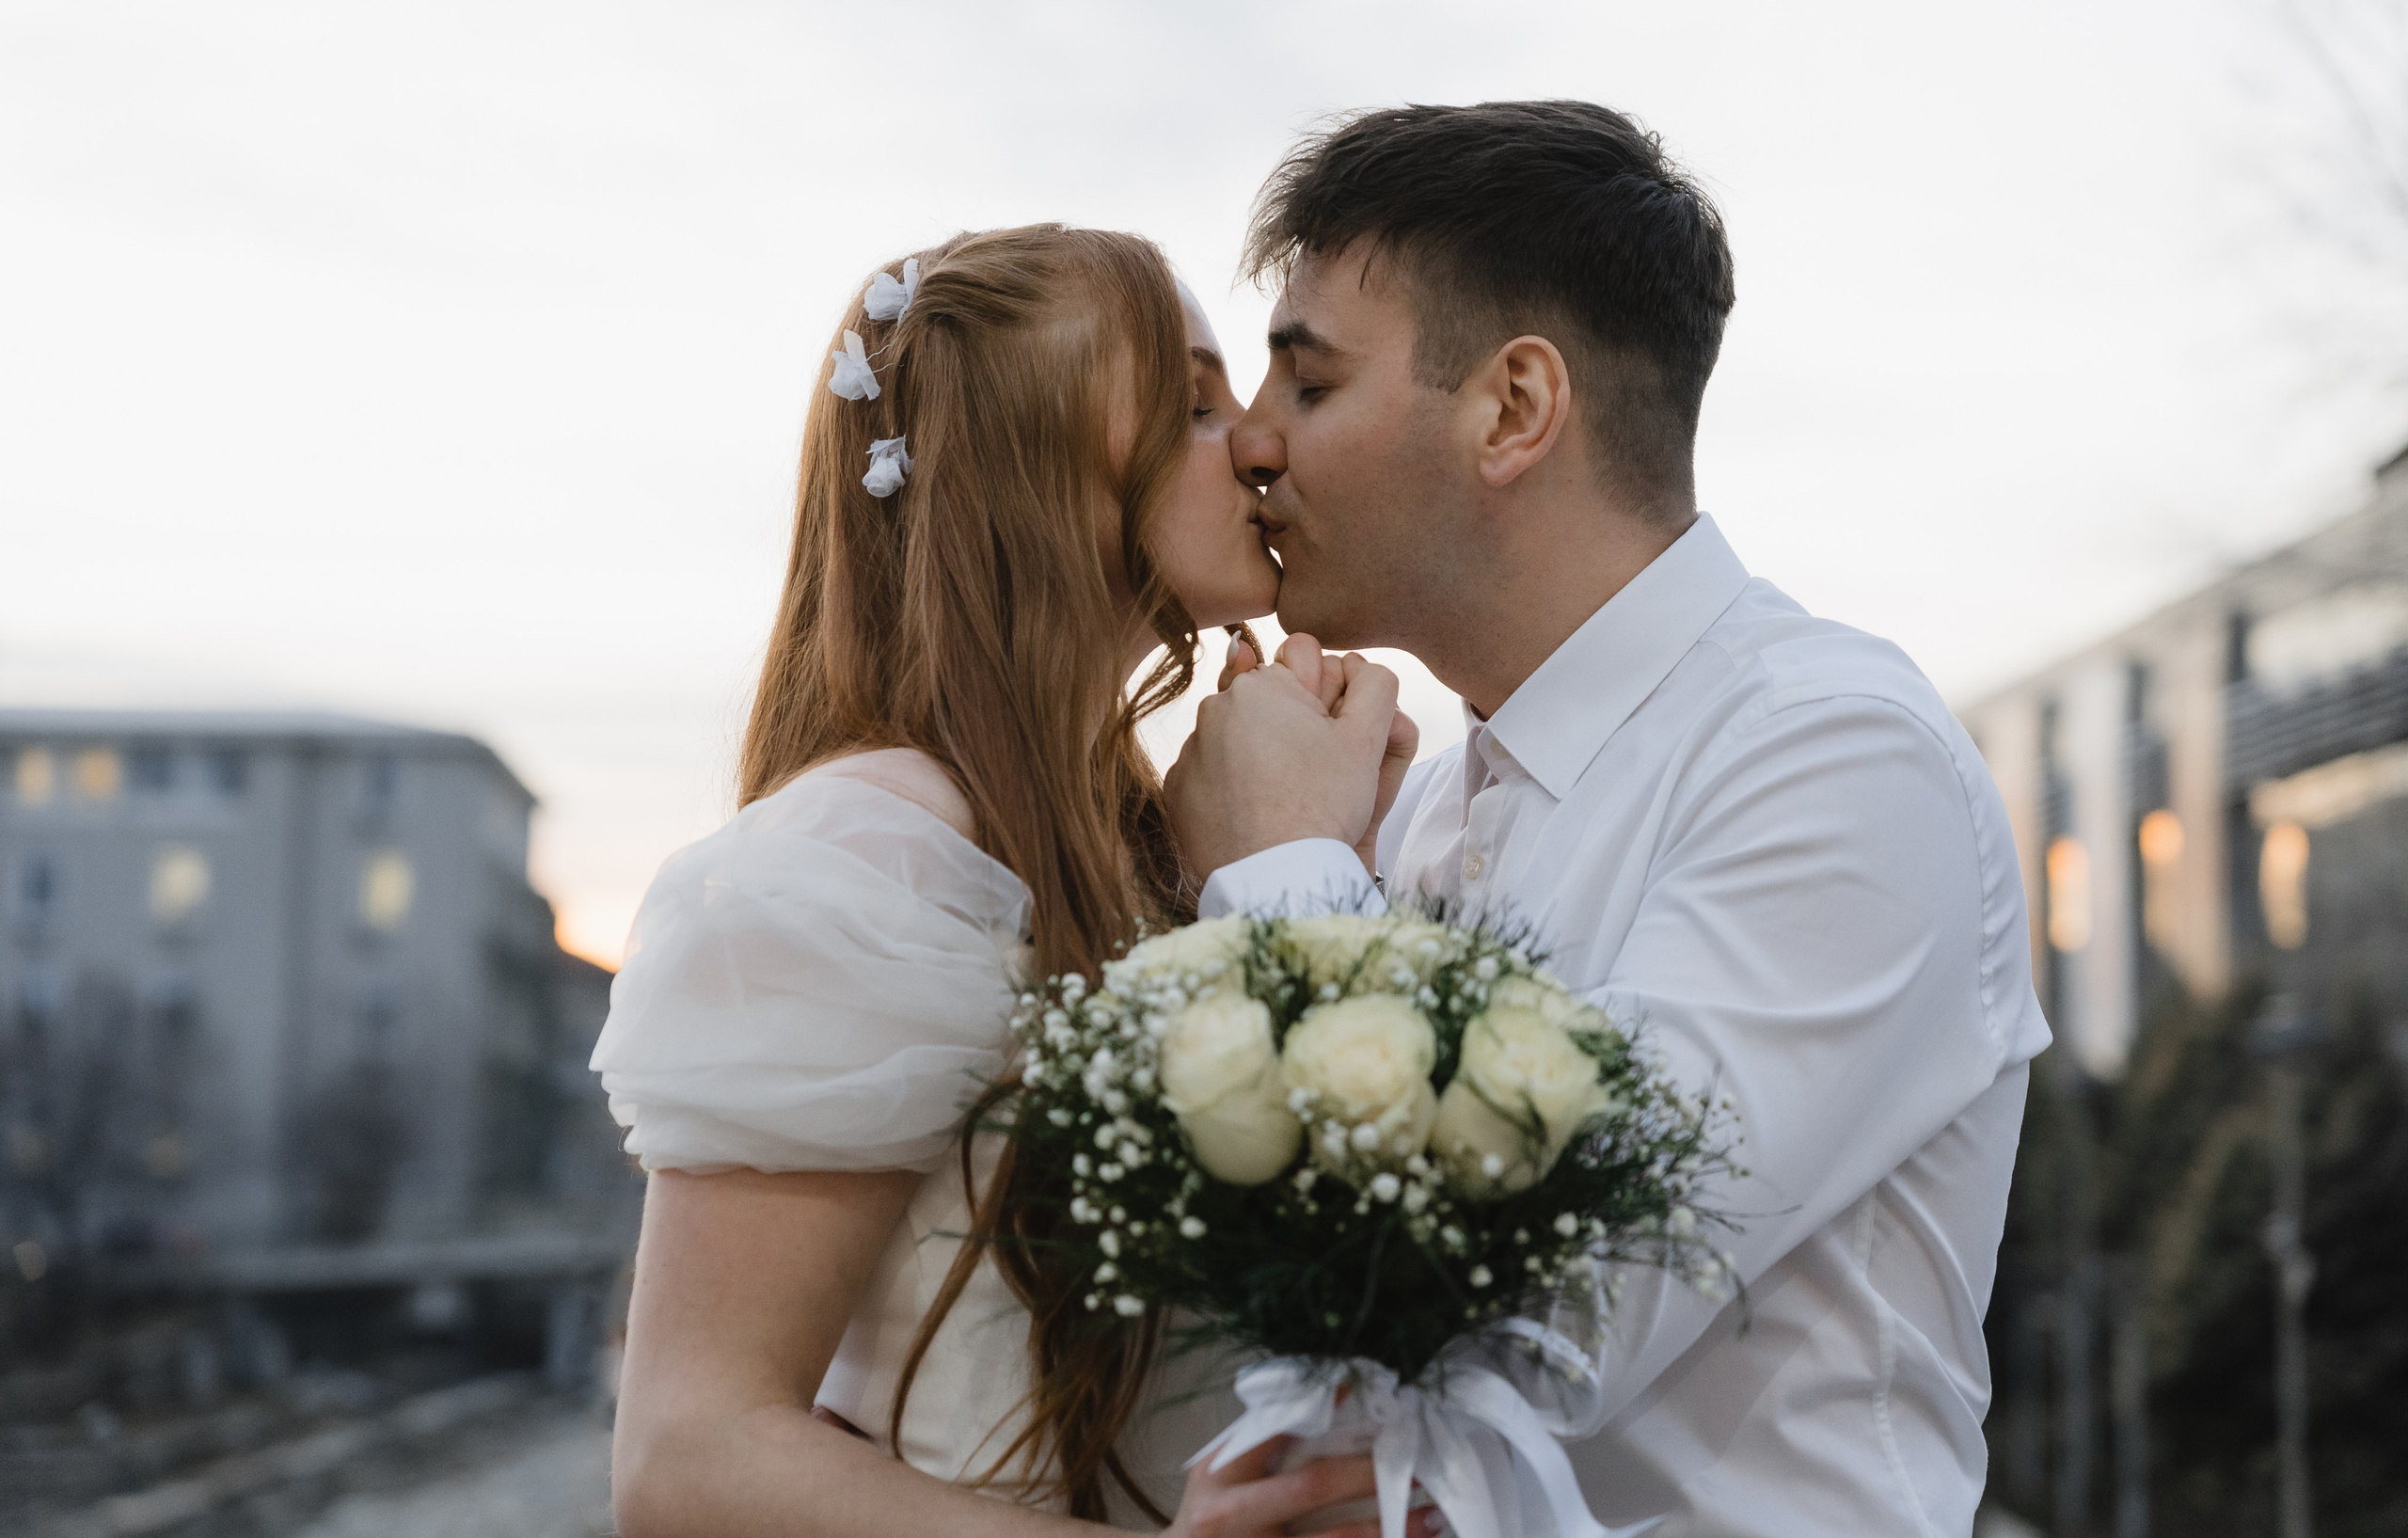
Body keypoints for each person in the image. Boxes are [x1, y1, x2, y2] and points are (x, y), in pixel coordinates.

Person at [1164, 102, 2055, 1538]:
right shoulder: (1427, 801)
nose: (1252, 444)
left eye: (1310, 387)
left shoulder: (1834, 756)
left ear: (1515, 409)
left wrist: (1278, 872)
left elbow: (1533, 1307)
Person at [594, 224, 1429, 1538]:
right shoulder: (868, 857)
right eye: (1194, 404)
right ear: (1035, 467)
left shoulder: (1120, 827)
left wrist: (1309, 862)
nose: (1257, 444)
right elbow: (689, 1458)